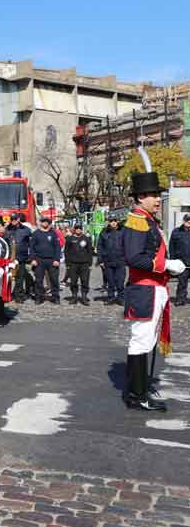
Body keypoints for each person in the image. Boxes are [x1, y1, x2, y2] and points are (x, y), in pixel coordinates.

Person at [121, 168, 186, 411]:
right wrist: (166, 264)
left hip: (153, 288)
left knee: (146, 340)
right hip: (144, 290)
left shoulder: (148, 220)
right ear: (140, 198)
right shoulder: (137, 221)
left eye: (158, 194)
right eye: (152, 194)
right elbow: (134, 258)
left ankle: (137, 389)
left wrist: (167, 270)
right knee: (141, 341)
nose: (158, 199)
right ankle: (138, 395)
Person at [30, 217, 61, 304]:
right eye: (43, 221)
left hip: (52, 260)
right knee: (39, 280)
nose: (45, 223)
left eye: (46, 222)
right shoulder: (36, 234)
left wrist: (57, 259)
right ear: (40, 223)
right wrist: (33, 259)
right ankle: (39, 297)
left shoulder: (53, 234)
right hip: (39, 260)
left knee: (54, 279)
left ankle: (55, 297)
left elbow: (57, 247)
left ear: (49, 223)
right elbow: (31, 247)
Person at [64, 223, 94, 305]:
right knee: (73, 281)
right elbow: (66, 252)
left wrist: (90, 264)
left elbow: (90, 251)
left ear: (81, 229)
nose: (78, 229)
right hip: (73, 264)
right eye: (76, 228)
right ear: (74, 229)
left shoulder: (86, 238)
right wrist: (67, 264)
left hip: (84, 264)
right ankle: (74, 296)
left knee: (85, 281)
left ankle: (84, 297)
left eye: (79, 228)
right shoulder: (70, 239)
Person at [98, 216, 125, 305]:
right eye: (111, 221)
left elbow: (128, 245)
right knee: (110, 281)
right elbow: (100, 247)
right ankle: (111, 297)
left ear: (117, 222)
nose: (113, 222)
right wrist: (100, 260)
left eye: (115, 220)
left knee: (120, 281)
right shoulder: (104, 232)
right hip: (108, 260)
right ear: (109, 222)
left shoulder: (123, 231)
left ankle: (121, 298)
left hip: (120, 260)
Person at [6, 213, 33, 302]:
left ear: (18, 219)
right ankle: (6, 295)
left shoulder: (26, 230)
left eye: (15, 219)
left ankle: (18, 295)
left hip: (21, 257)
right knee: (8, 277)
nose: (13, 220)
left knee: (20, 278)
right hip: (9, 258)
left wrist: (31, 255)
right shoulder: (7, 229)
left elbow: (31, 243)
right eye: (12, 219)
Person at [168, 214, 190, 305]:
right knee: (182, 282)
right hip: (182, 263)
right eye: (187, 220)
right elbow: (171, 247)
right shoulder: (176, 232)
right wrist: (173, 261)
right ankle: (180, 299)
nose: (189, 221)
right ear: (183, 221)